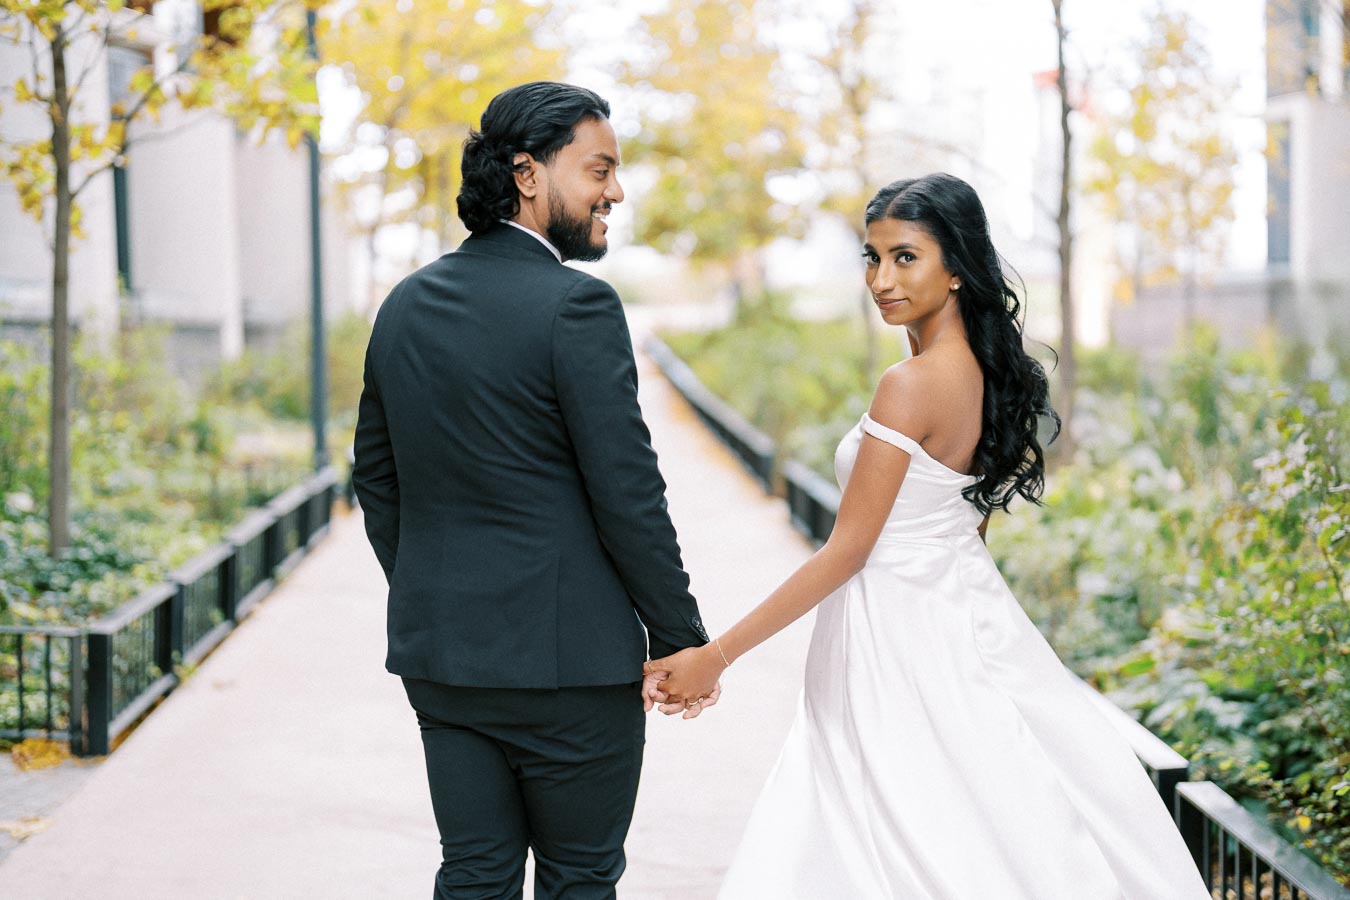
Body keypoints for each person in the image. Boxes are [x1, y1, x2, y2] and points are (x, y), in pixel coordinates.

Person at [646, 174, 1210, 899]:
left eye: (905, 257)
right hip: (959, 620)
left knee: (889, 828)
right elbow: (963, 527)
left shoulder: (908, 384)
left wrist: (716, 656)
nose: (881, 279)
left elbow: (848, 548)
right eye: (871, 257)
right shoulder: (982, 374)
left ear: (957, 267)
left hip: (892, 639)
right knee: (962, 822)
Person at [352, 81, 712, 900]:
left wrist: (432, 586)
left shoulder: (402, 306)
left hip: (443, 659)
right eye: (599, 170)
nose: (614, 191)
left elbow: (376, 476)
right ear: (527, 174)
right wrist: (679, 634)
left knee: (474, 872)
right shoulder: (576, 305)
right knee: (579, 878)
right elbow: (627, 491)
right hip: (571, 666)